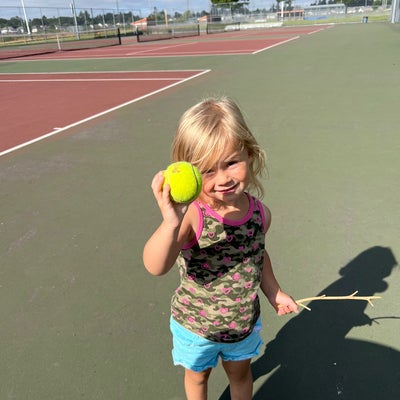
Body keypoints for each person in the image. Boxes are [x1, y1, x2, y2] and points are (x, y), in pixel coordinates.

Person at [143, 97, 298, 400]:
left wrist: (274, 292)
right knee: (197, 379)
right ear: (191, 172)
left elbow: (258, 256)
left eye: (231, 162)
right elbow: (155, 266)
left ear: (249, 155)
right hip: (196, 327)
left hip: (242, 325)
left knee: (241, 376)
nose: (223, 178)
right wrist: (170, 223)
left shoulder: (259, 214)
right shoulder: (193, 216)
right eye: (208, 171)